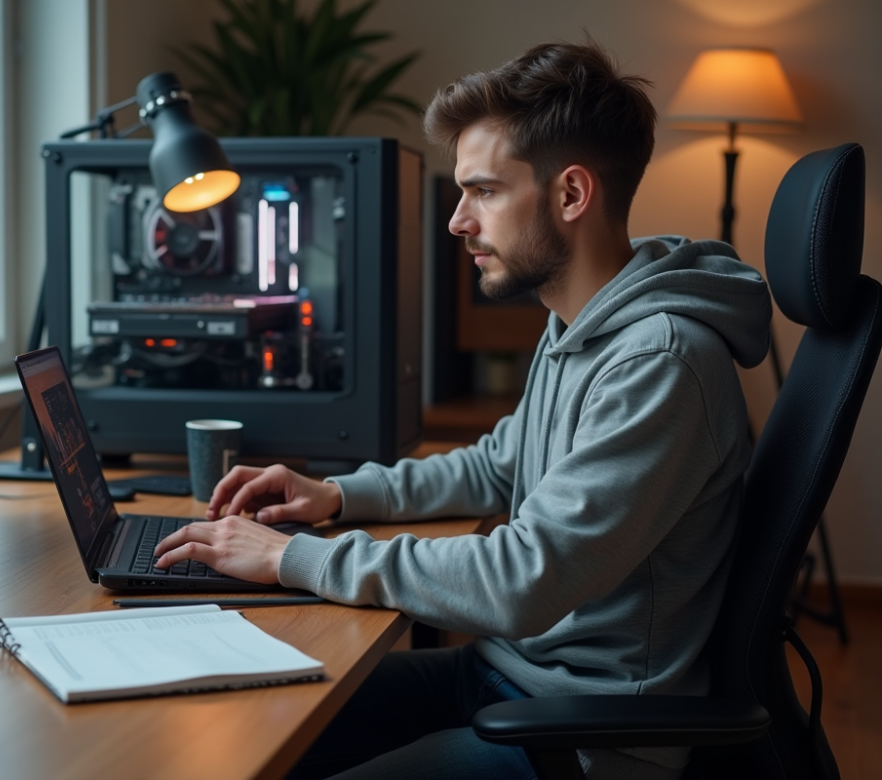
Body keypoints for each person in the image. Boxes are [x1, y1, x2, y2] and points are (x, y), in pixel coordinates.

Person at [155, 39, 771, 780]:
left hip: (587, 734)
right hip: (510, 676)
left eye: (482, 191)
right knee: (248, 720)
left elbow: (524, 579)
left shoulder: (660, 361)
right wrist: (339, 494)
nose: (456, 221)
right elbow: (498, 463)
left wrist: (294, 557)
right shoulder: (581, 324)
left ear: (571, 195)